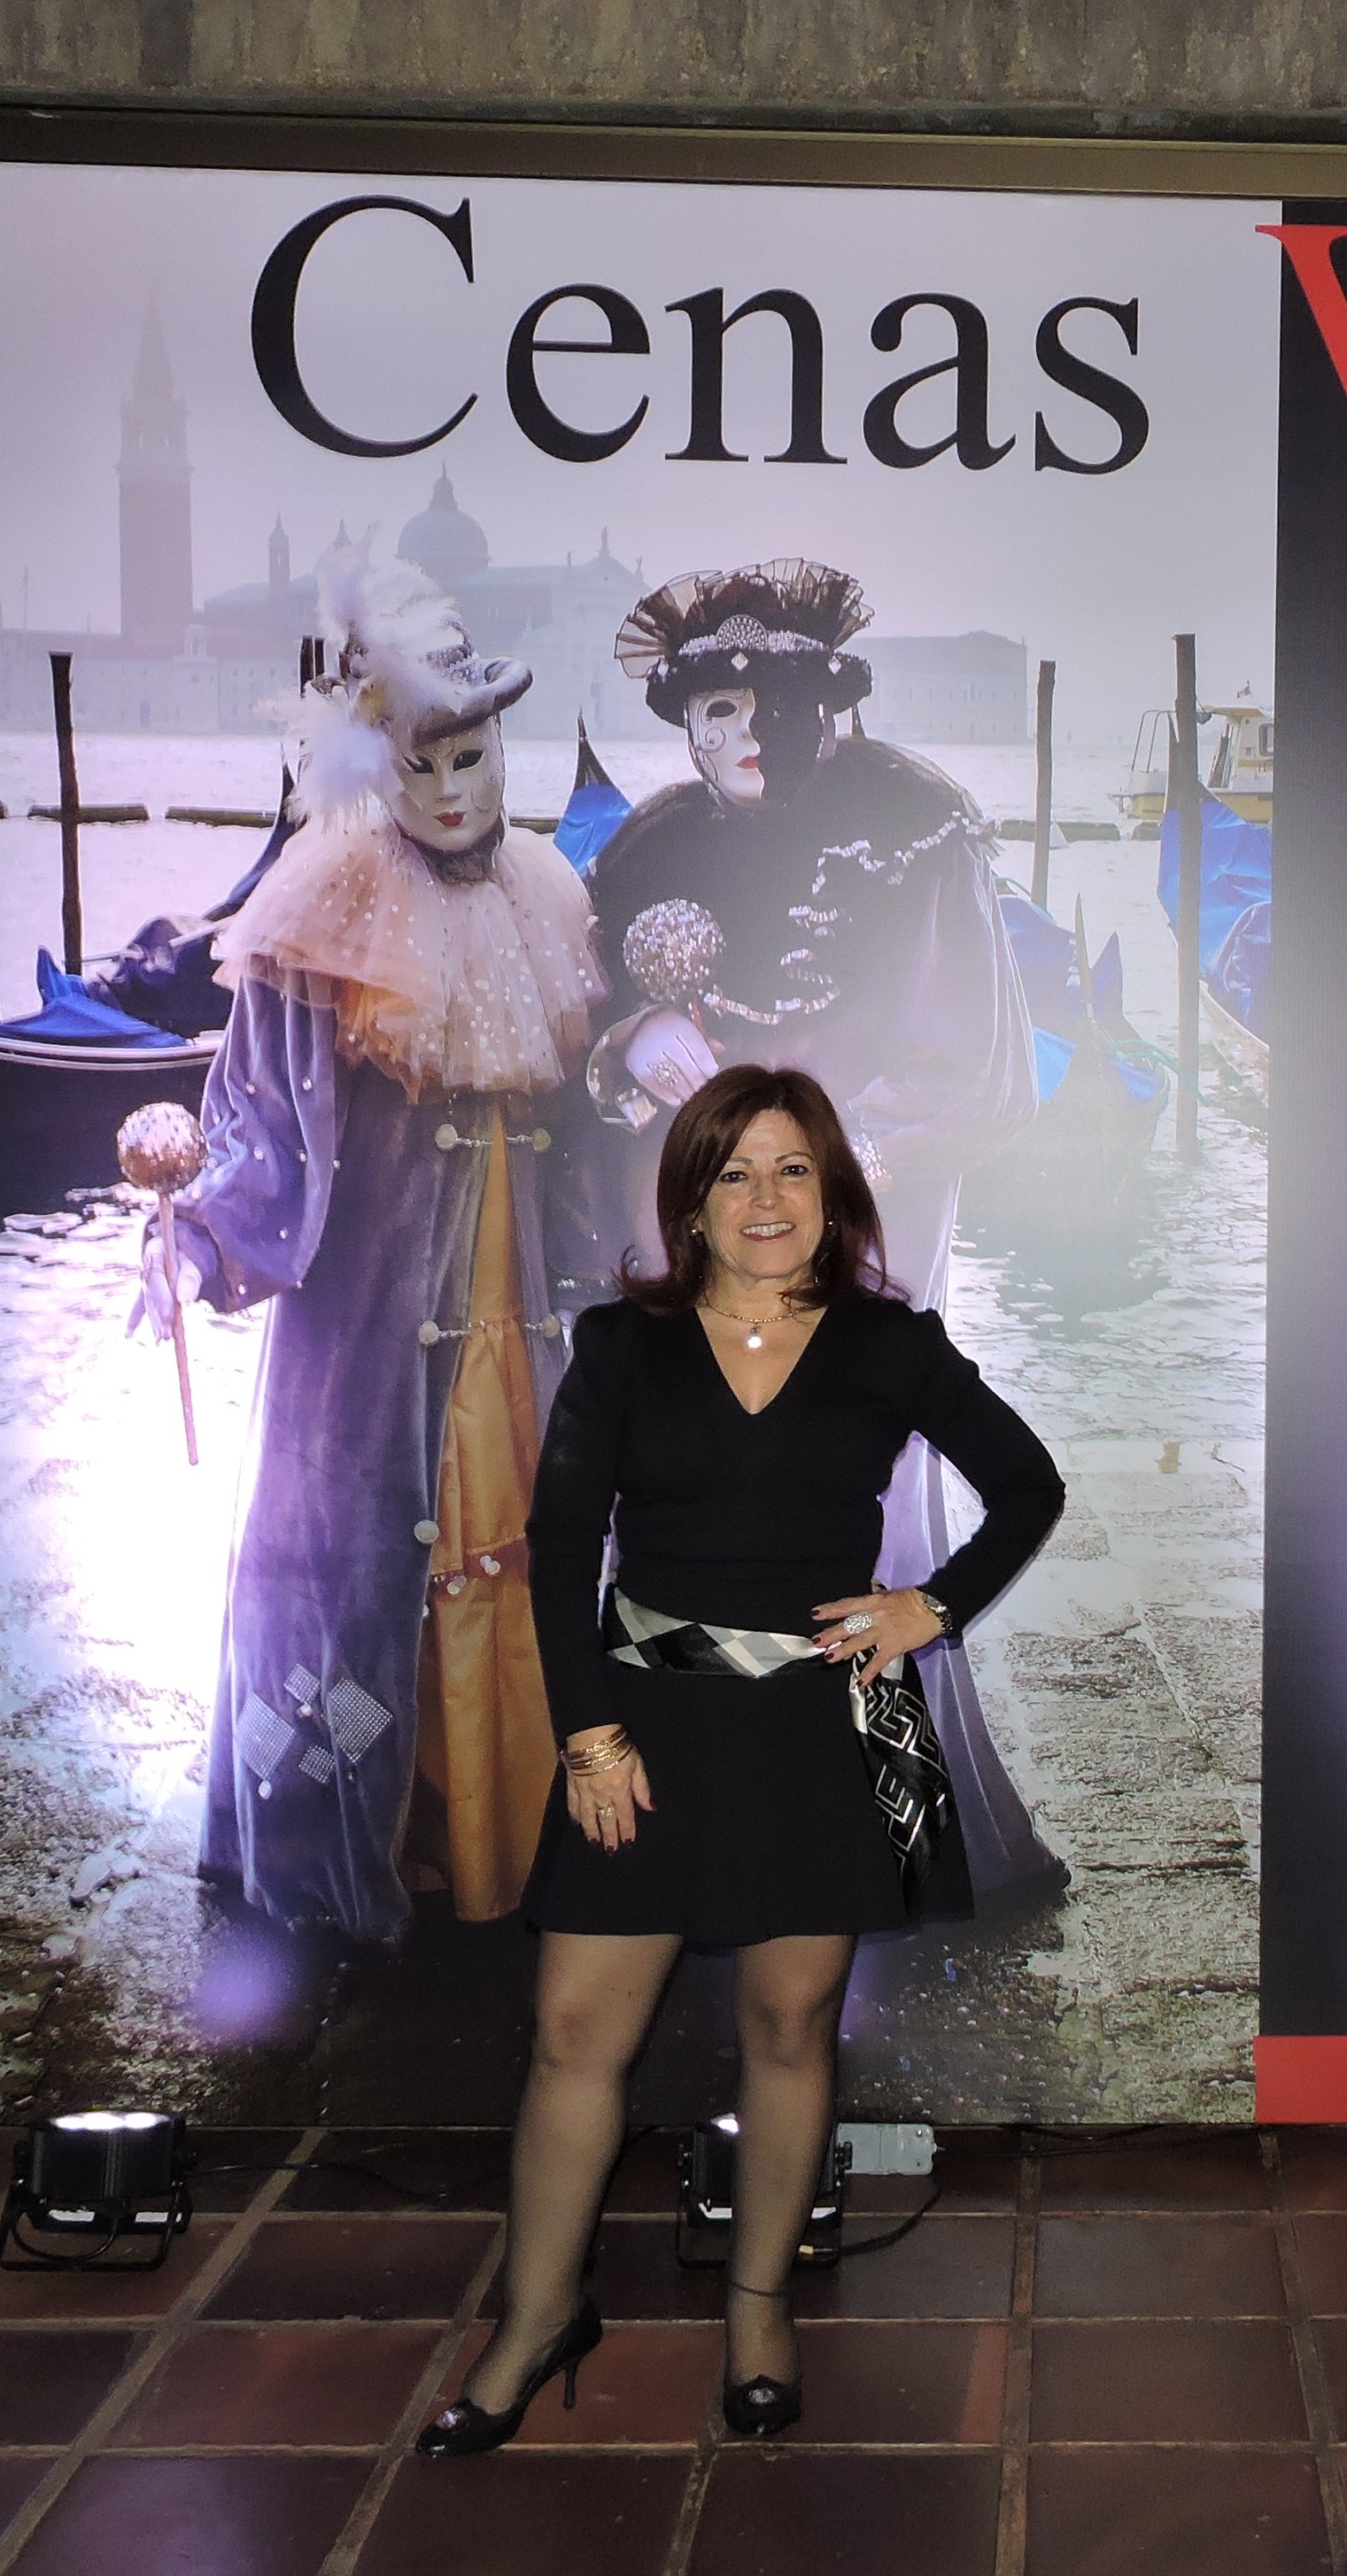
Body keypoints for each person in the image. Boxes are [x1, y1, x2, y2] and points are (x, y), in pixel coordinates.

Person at [418, 1065, 1065, 2455]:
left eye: (793, 1169)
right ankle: (537, 2316)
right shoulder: (621, 1345)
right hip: (643, 1731)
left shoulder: (891, 1343)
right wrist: (587, 1734)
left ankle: (760, 2310)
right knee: (574, 2035)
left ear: (832, 1192)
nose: (766, 1197)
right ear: (692, 1202)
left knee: (789, 2027)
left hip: (828, 1731)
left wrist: (931, 1605)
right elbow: (561, 1549)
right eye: (734, 1172)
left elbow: (1031, 1485)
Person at [565, 557, 1066, 1915]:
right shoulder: (648, 844)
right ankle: (700, 1820)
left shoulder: (917, 825)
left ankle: (893, 1838)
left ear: (828, 704)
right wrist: (634, 1042)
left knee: (868, 1520)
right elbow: (590, 1030)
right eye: (715, 710)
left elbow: (977, 1065)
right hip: (696, 1248)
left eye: (770, 707)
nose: (744, 737)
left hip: (866, 1233)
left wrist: (825, 1169)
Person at [166, 545, 600, 1950]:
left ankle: (523, 1835)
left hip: (521, 1301)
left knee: (526, 1531)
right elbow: (263, 1117)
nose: (455, 790)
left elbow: (586, 1132)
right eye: (423, 764)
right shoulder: (325, 908)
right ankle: (378, 1836)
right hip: (366, 1327)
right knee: (362, 1560)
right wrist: (200, 1230)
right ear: (376, 766)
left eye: (473, 756)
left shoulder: (550, 894)